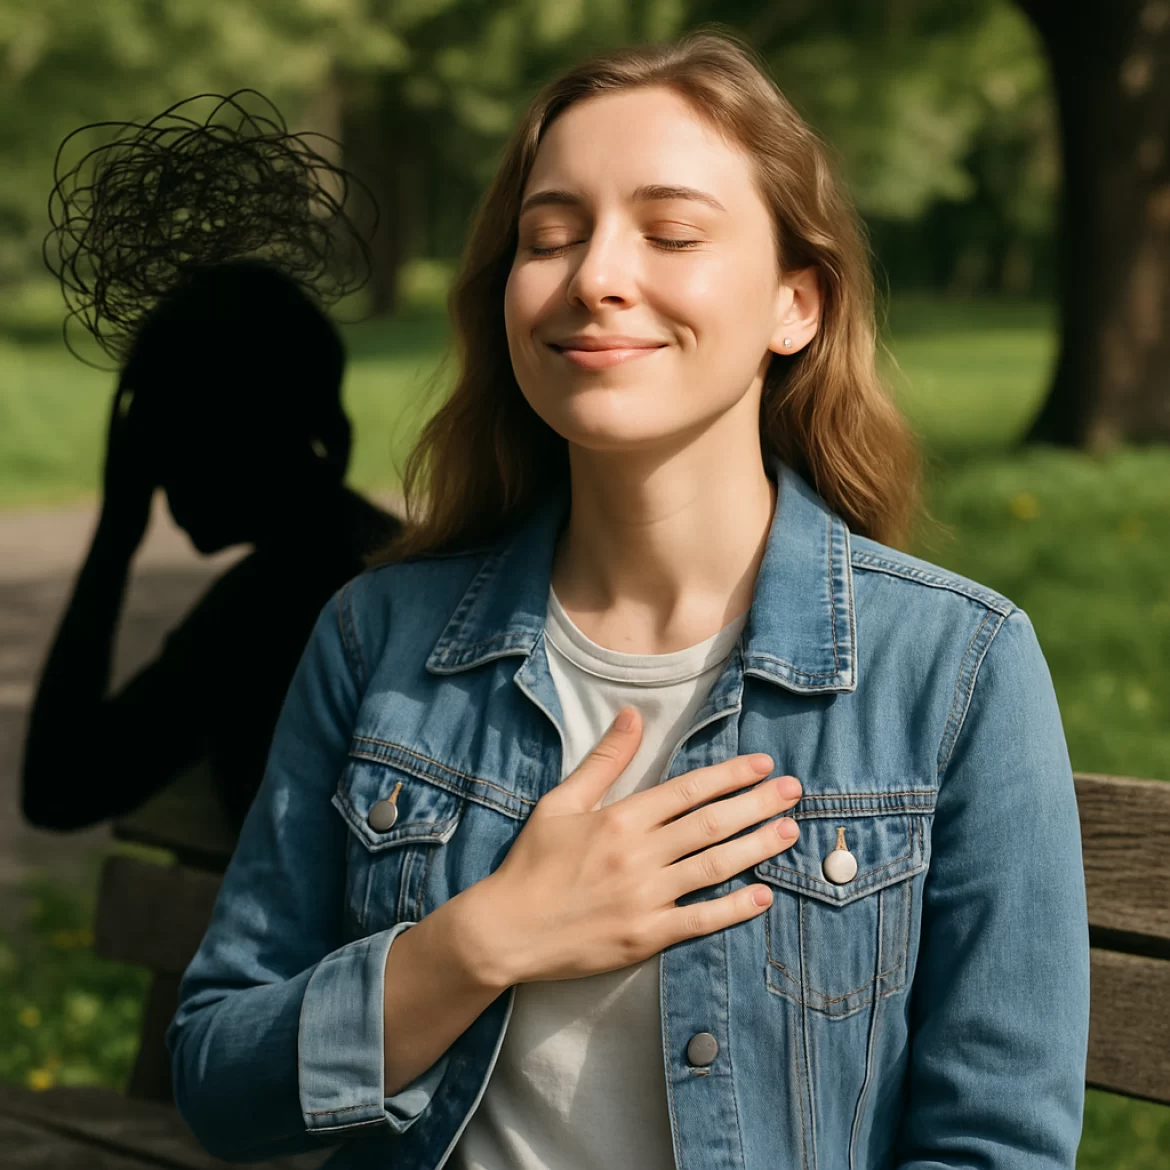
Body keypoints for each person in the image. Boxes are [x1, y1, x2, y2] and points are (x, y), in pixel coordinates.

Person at [167, 31, 1090, 1170]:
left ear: (794, 303)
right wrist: (480, 943)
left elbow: (996, 1146)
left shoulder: (956, 669)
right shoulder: (376, 638)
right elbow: (218, 1077)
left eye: (671, 233)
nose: (596, 275)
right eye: (549, 236)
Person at [21, 94, 401, 832]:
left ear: (232, 434)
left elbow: (60, 789)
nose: (156, 474)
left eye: (167, 439)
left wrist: (113, 540)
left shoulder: (276, 602)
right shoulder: (373, 554)